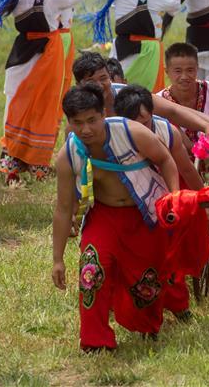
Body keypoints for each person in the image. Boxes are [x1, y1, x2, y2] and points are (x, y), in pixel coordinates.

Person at [51, 83, 180, 350]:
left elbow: (166, 160)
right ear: (68, 122)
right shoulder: (68, 155)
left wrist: (174, 200)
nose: (85, 129)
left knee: (147, 279)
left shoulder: (131, 132)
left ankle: (146, 325)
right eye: (77, 123)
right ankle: (94, 340)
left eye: (92, 120)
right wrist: (57, 259)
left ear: (103, 115)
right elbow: (63, 208)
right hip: (104, 217)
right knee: (92, 270)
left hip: (145, 213)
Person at [113, 85, 208, 321]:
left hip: (162, 205)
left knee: (168, 258)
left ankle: (179, 307)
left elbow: (186, 168)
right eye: (134, 124)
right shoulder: (113, 136)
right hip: (129, 207)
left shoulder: (167, 131)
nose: (141, 129)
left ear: (152, 114)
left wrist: (207, 200)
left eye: (145, 122)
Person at [0, 0, 82, 185]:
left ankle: (11, 160)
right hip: (47, 53)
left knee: (15, 105)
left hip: (20, 54)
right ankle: (36, 163)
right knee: (44, 105)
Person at [90, 0, 178, 92]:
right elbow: (175, 4)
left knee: (118, 89)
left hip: (121, 47)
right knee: (146, 94)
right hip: (147, 51)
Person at [71, 51, 209, 135]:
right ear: (79, 85)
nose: (99, 85)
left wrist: (207, 127)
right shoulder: (76, 108)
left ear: (109, 77)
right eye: (91, 81)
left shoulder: (127, 92)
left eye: (103, 78)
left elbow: (174, 111)